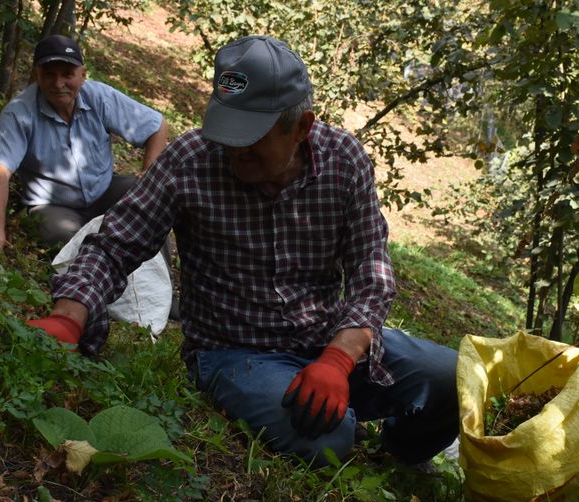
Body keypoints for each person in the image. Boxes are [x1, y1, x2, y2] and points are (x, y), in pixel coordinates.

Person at [28, 35, 458, 468]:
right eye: (228, 131)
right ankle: (340, 422)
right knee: (324, 433)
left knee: (455, 379)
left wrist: (339, 357)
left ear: (302, 127)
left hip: (327, 336)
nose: (235, 151)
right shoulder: (190, 161)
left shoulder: (343, 161)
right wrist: (69, 315)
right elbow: (116, 244)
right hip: (236, 350)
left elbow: (372, 273)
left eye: (252, 138)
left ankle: (402, 453)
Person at [0, 34, 169, 249]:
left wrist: (148, 174)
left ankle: (161, 279)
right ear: (37, 75)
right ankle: (99, 273)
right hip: (53, 206)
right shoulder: (19, 113)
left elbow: (157, 126)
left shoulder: (99, 97)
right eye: (49, 75)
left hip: (104, 192)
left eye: (67, 75)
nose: (59, 83)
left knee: (152, 203)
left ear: (82, 75)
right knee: (68, 241)